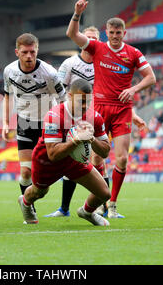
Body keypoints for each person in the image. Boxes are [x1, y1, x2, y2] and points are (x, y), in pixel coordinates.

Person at [66, 0, 156, 218]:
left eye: (119, 33)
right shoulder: (97, 47)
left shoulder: (133, 53)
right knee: (97, 158)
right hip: (99, 108)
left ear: (124, 33)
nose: (115, 36)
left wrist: (134, 90)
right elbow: (72, 34)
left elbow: (151, 77)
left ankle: (112, 203)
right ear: (107, 32)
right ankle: (96, 202)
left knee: (123, 159)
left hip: (122, 109)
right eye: (112, 32)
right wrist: (77, 13)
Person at [45, 26, 148, 218]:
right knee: (75, 157)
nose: (90, 41)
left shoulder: (103, 61)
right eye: (87, 37)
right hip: (73, 115)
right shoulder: (70, 63)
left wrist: (131, 114)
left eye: (93, 38)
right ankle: (65, 207)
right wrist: (61, 114)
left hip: (98, 114)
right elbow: (59, 91)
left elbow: (114, 94)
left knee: (99, 158)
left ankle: (104, 206)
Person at [18, 79, 111, 226]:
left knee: (104, 194)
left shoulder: (95, 117)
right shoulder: (54, 116)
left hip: (73, 161)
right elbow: (53, 155)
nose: (85, 106)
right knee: (39, 192)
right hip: (46, 161)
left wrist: (92, 139)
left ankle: (86, 212)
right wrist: (77, 140)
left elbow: (105, 151)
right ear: (69, 96)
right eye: (81, 101)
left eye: (88, 101)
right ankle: (25, 202)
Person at [2, 33, 66, 199]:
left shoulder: (50, 74)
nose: (29, 56)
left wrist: (63, 124)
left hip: (47, 125)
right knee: (25, 172)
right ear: (17, 52)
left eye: (32, 52)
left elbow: (63, 99)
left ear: (37, 50)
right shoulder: (9, 71)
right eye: (24, 52)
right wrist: (5, 122)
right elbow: (8, 96)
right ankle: (28, 206)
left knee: (51, 175)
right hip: (24, 123)